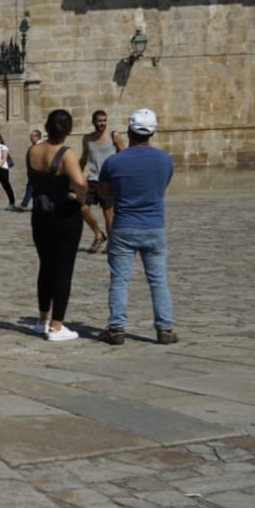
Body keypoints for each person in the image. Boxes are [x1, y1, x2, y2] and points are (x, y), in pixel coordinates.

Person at [97, 109, 177, 346]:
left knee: (120, 279)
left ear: (129, 130)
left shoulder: (114, 162)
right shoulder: (165, 160)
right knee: (158, 279)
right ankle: (164, 328)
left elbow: (103, 192)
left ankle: (117, 328)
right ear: (152, 132)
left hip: (124, 225)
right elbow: (163, 187)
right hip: (154, 225)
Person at [26, 108, 89, 341]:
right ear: (69, 129)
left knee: (46, 266)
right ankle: (57, 324)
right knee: (64, 268)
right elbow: (80, 182)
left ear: (46, 126)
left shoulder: (33, 150)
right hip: (63, 214)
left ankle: (42, 319)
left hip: (40, 214)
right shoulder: (66, 153)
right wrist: (80, 200)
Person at [80, 109, 124, 252]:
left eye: (104, 120)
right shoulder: (87, 138)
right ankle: (99, 234)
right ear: (93, 122)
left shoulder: (114, 136)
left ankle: (111, 243)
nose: (102, 124)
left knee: (108, 214)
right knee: (83, 208)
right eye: (99, 121)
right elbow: (84, 158)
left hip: (108, 180)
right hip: (92, 179)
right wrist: (76, 174)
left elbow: (123, 155)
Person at [19, 129, 43, 210]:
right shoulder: (33, 146)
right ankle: (35, 205)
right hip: (32, 172)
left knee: (31, 187)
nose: (31, 138)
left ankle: (24, 203)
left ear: (38, 137)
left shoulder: (40, 146)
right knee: (34, 189)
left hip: (37, 172)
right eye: (31, 136)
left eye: (33, 136)